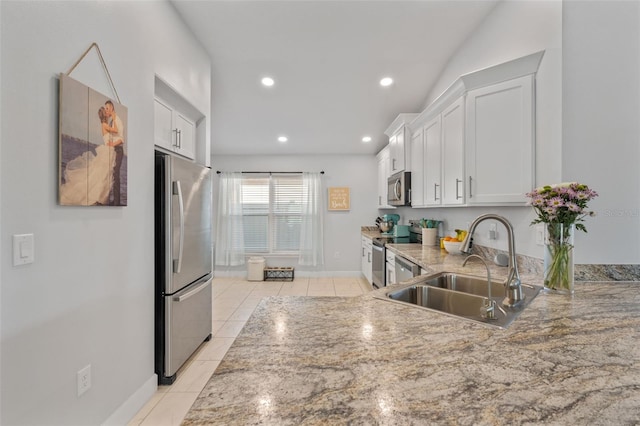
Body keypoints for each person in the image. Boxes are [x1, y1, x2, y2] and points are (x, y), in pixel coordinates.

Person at [60, 107, 116, 205]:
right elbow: (115, 130)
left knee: (104, 175)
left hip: (109, 151)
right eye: (106, 112)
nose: (108, 113)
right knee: (101, 175)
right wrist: (114, 117)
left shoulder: (104, 125)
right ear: (105, 115)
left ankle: (100, 197)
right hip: (107, 151)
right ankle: (96, 196)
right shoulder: (104, 125)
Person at [104, 100, 125, 205]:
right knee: (112, 174)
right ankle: (114, 200)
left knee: (116, 174)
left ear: (112, 108)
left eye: (107, 108)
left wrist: (112, 144)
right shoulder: (112, 121)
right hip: (114, 150)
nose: (106, 111)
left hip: (119, 150)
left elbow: (122, 139)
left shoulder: (118, 121)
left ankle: (117, 202)